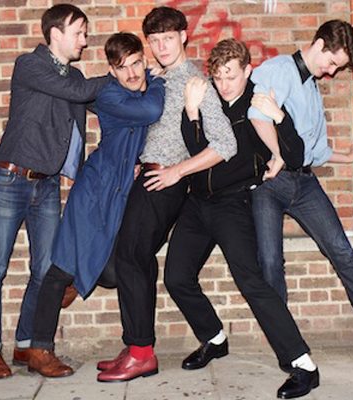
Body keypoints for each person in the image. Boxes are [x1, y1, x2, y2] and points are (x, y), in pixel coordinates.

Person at [248, 19, 353, 365]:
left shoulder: (312, 87)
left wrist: (348, 157)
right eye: (331, 62)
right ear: (318, 44)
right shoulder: (279, 70)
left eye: (336, 67)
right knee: (270, 262)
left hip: (304, 182)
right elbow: (258, 114)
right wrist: (279, 155)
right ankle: (288, 347)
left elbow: (315, 152)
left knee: (342, 250)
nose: (331, 72)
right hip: (270, 184)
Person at [164, 38, 321, 399]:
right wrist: (191, 111)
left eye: (231, 76)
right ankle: (214, 338)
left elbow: (295, 155)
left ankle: (303, 365)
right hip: (197, 202)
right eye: (218, 77)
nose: (224, 85)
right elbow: (195, 147)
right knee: (176, 277)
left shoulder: (257, 102)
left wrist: (279, 118)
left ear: (247, 70)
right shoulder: (209, 98)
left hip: (234, 204)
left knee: (252, 281)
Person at [96, 6, 237, 383]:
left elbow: (226, 144)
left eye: (168, 39)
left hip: (165, 182)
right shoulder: (157, 77)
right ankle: (136, 345)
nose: (161, 47)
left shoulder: (195, 82)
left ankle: (141, 353)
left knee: (131, 257)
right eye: (154, 40)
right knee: (131, 258)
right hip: (147, 177)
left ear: (183, 37)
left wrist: (177, 170)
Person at [0, 3, 110, 379]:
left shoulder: (76, 76)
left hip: (47, 185)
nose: (85, 40)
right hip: (11, 181)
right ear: (55, 34)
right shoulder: (29, 65)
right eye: (79, 33)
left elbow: (94, 101)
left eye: (85, 33)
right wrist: (118, 74)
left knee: (45, 270)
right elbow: (77, 90)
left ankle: (26, 344)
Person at [24, 32, 166, 378]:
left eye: (137, 63)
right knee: (60, 267)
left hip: (122, 194)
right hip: (94, 191)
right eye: (123, 67)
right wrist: (160, 81)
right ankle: (39, 348)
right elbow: (152, 110)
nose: (132, 73)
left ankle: (81, 279)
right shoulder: (111, 94)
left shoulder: (140, 89)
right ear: (112, 71)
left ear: (143, 60)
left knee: (115, 272)